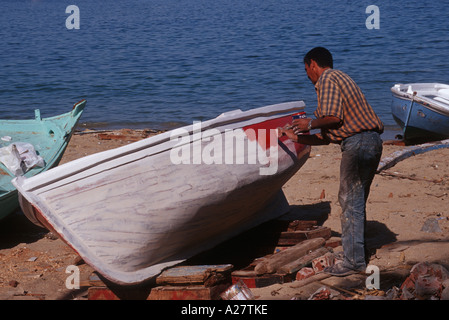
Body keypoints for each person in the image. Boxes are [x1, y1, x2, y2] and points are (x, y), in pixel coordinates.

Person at [280, 47, 384, 276]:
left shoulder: (328, 79)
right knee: (355, 200)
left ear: (313, 64)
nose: (307, 75)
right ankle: (356, 254)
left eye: (306, 70)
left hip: (358, 143)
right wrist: (298, 137)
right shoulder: (340, 79)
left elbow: (333, 118)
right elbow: (328, 135)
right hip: (372, 142)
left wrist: (310, 123)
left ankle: (353, 262)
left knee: (349, 200)